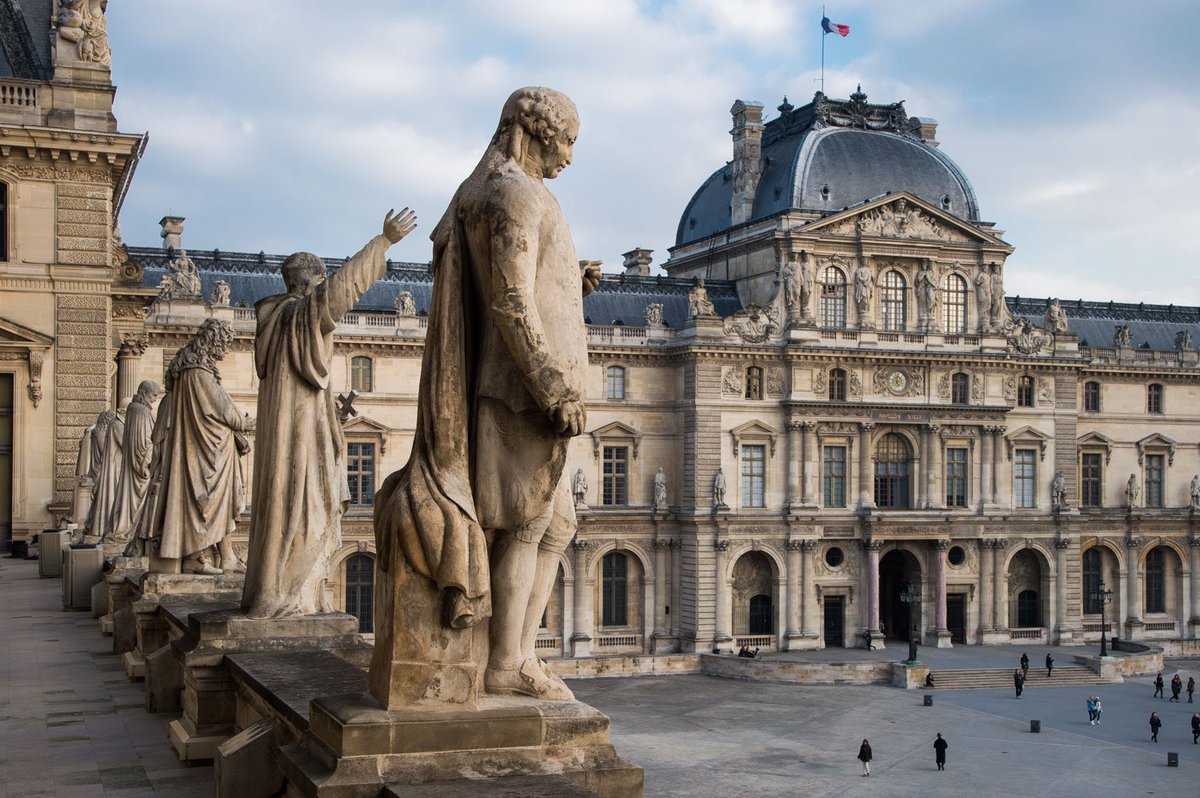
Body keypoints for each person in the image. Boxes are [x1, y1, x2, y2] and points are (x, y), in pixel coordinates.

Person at [373, 87, 593, 701]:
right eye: (567, 140)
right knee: (527, 526)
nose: (570, 157)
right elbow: (511, 299)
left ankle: (513, 652)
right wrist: (551, 383)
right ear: (534, 130)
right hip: (520, 393)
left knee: (554, 525)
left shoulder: (479, 190)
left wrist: (572, 283)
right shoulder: (516, 194)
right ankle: (507, 659)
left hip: (509, 387)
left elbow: (505, 284)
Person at [241, 208, 417, 619]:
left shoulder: (274, 323)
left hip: (295, 427)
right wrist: (383, 242)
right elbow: (341, 291)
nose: (323, 287)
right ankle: (289, 594)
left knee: (296, 510)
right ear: (306, 284)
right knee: (306, 507)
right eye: (319, 281)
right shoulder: (296, 315)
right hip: (299, 433)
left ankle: (286, 589)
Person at [154, 320, 254, 574]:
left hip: (204, 449)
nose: (225, 350)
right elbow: (225, 412)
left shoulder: (191, 372)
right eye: (224, 343)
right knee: (208, 504)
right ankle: (198, 558)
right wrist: (247, 422)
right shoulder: (199, 373)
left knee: (210, 505)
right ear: (213, 341)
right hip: (208, 453)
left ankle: (224, 555)